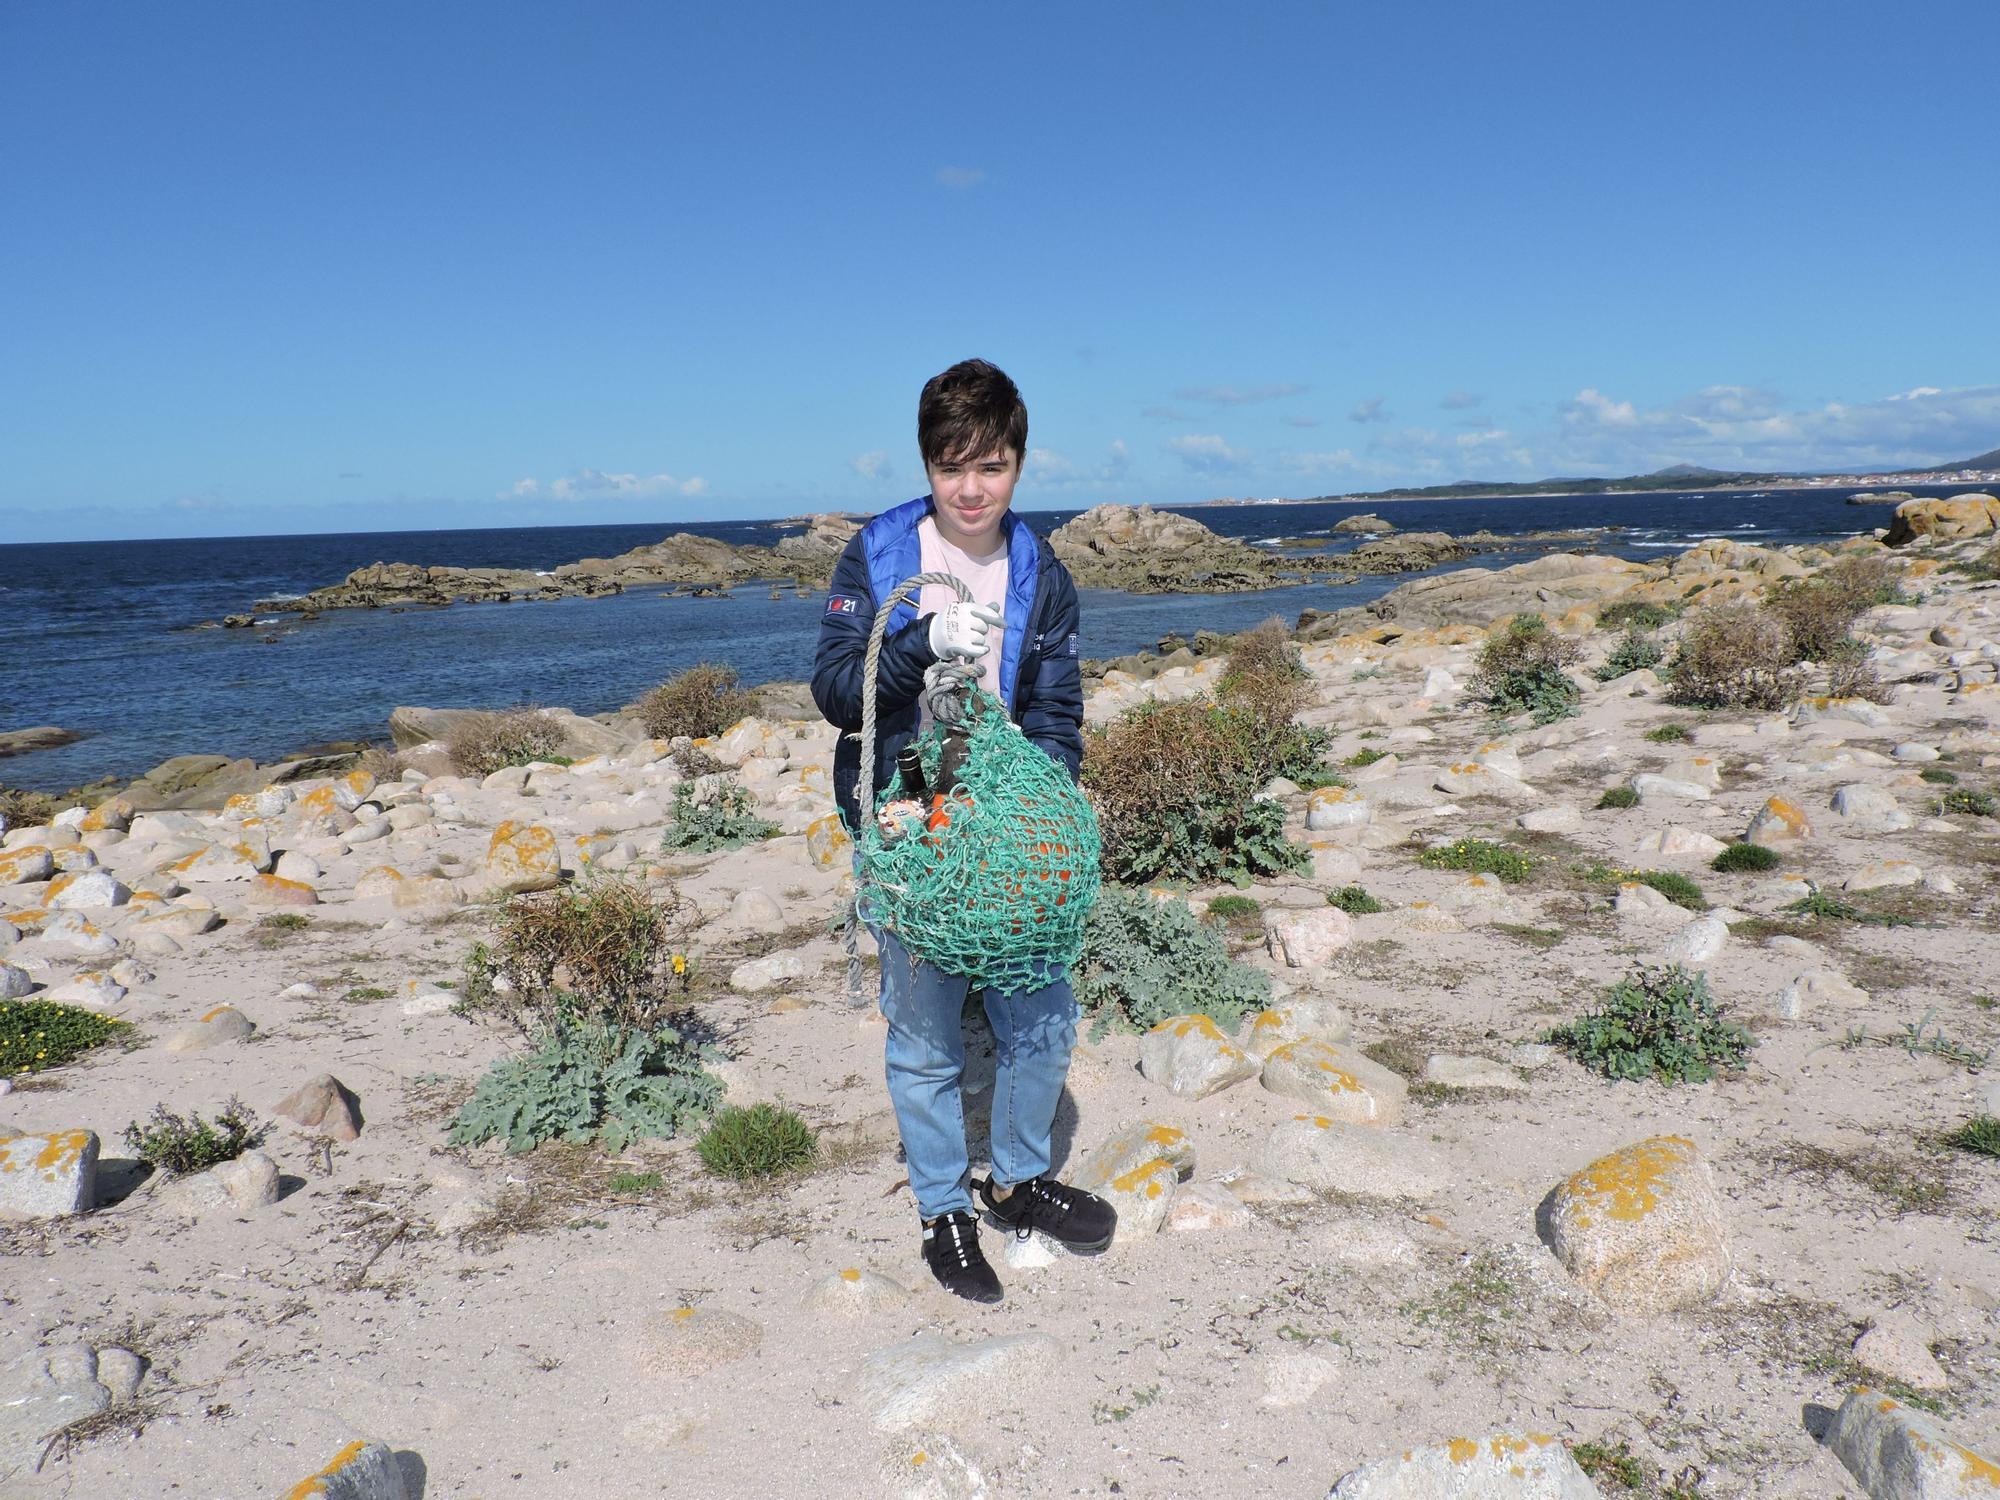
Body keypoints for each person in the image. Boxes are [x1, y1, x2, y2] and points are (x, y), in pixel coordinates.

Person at [811, 358, 1116, 1303]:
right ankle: (944, 1209)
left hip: (1005, 823)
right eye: (952, 467)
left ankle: (1019, 1184)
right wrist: (919, 643)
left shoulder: (1042, 572)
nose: (971, 488)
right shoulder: (879, 552)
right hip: (907, 820)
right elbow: (833, 690)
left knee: (1041, 1019)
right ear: (928, 465)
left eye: (990, 465)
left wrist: (1034, 816)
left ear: (1018, 464)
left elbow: (1058, 716)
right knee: (926, 1033)